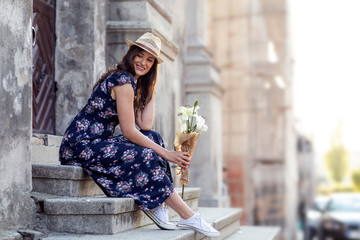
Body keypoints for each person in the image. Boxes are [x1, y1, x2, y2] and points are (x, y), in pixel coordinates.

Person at [59, 32, 219, 237]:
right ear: (131, 54)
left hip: (98, 141)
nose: (143, 62)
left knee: (153, 137)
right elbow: (129, 131)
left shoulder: (133, 83)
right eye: (140, 55)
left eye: (150, 60)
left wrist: (149, 86)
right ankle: (188, 215)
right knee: (147, 154)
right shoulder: (122, 81)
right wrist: (167, 154)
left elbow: (145, 125)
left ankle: (158, 203)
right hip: (80, 145)